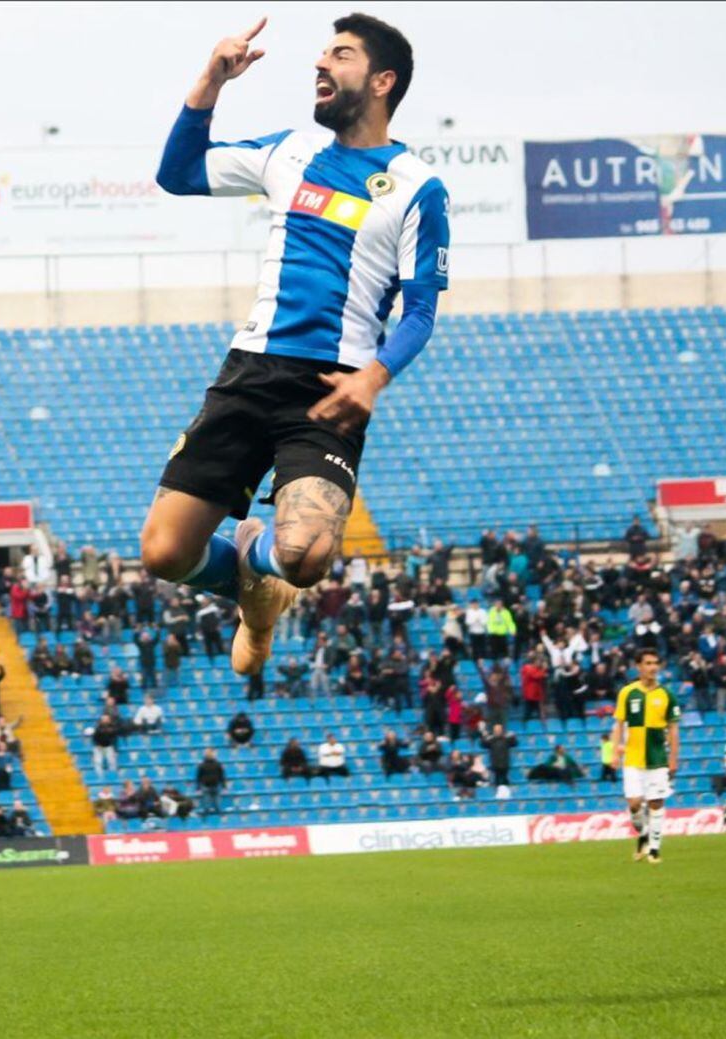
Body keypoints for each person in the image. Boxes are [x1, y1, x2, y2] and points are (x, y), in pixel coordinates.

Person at [141, 13, 449, 682]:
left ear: (381, 80)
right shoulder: (290, 153)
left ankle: (266, 567)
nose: (321, 63)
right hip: (249, 370)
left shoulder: (417, 187)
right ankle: (255, 588)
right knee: (164, 552)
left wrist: (375, 375)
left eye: (339, 54)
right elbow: (179, 172)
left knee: (308, 557)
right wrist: (208, 83)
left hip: (330, 388)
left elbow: (421, 311)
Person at [610, 648, 680, 864]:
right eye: (648, 663)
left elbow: (673, 730)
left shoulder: (667, 694)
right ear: (638, 666)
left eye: (655, 663)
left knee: (656, 803)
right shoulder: (627, 692)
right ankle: (643, 834)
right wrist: (615, 752)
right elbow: (619, 725)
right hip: (632, 758)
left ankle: (655, 850)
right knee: (634, 803)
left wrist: (674, 759)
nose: (652, 667)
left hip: (658, 757)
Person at [479, 723, 517, 794]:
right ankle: (498, 795)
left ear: (501, 730)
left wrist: (513, 736)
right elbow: (483, 744)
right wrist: (483, 735)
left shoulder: (506, 739)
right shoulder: (491, 740)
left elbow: (515, 743)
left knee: (505, 780)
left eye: (499, 730)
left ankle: (506, 794)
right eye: (496, 730)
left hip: (505, 763)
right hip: (495, 764)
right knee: (497, 781)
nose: (497, 731)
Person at [195, 747, 227, 815]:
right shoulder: (217, 764)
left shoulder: (202, 765)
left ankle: (207, 817)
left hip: (208, 786)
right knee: (216, 804)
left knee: (208, 804)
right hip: (213, 785)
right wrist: (224, 786)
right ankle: (217, 816)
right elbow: (222, 776)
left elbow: (199, 777)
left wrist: (198, 787)